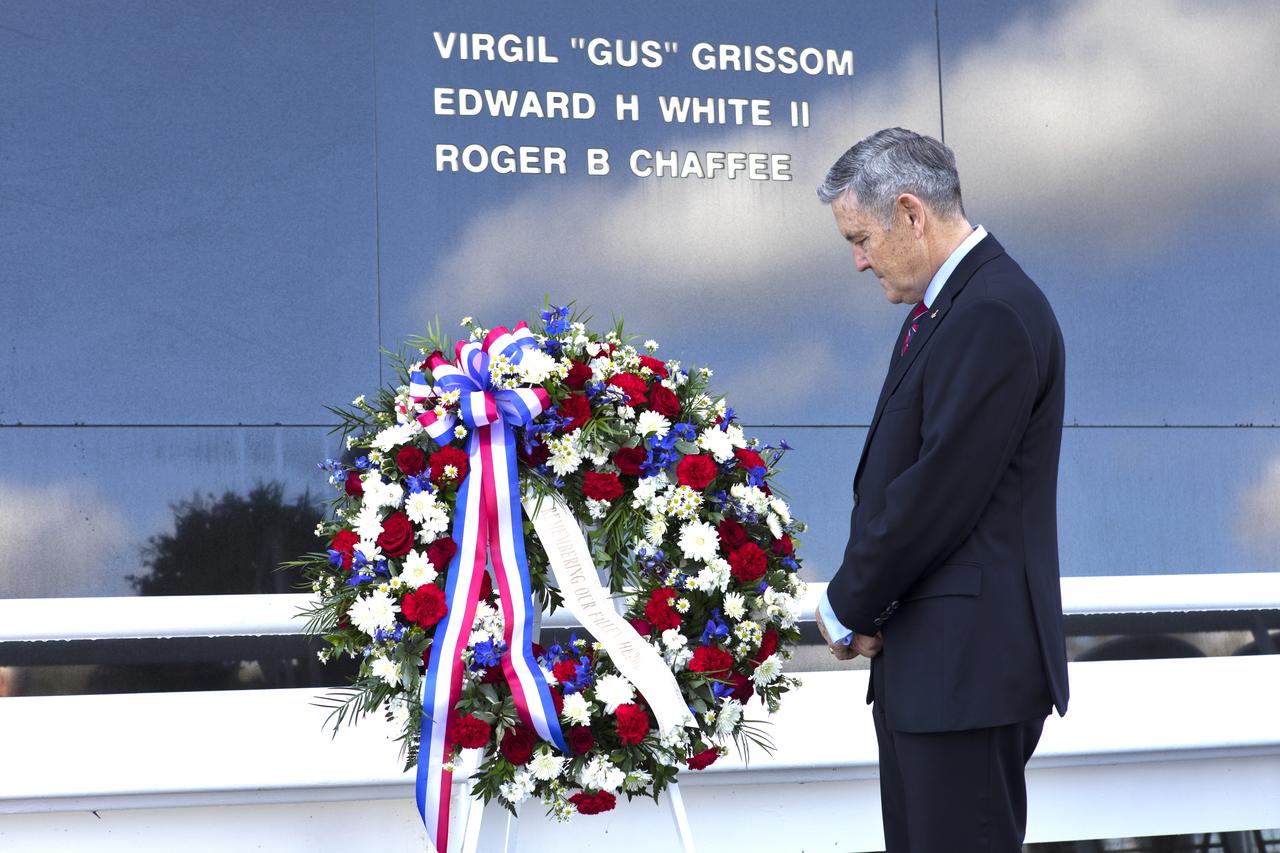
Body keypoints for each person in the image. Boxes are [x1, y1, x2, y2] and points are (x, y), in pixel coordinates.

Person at [813, 127, 1069, 852]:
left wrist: (845, 604)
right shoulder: (951, 306)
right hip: (941, 671)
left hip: (965, 676)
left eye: (861, 237)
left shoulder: (988, 310)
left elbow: (937, 493)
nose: (859, 261)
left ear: (911, 213)